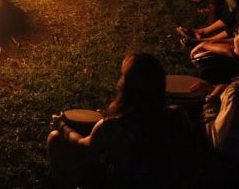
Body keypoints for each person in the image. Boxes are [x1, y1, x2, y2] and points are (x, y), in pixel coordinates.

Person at [46, 53, 198, 188]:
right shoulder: (177, 115)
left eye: (123, 75)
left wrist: (62, 126)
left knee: (55, 138)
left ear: (127, 86)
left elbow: (83, 145)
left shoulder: (115, 127)